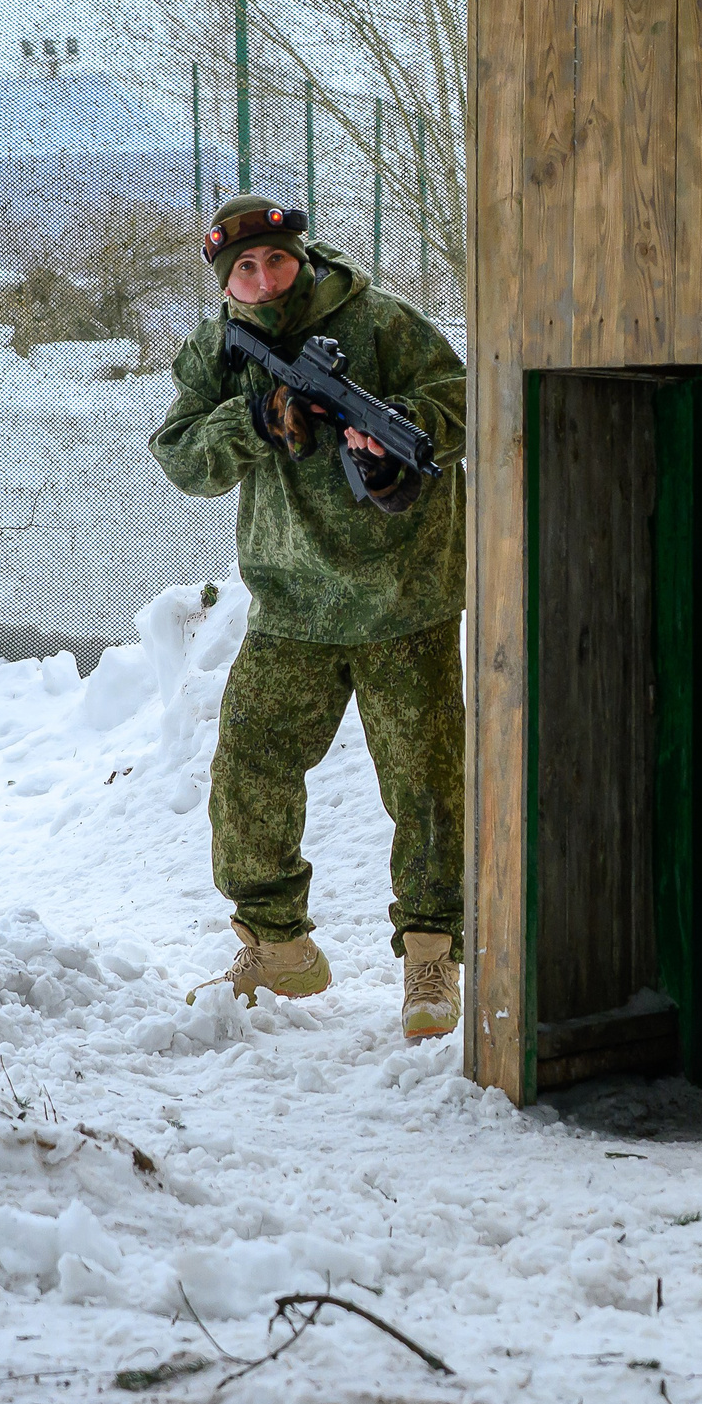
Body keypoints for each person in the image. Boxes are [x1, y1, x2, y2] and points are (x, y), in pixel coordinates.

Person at [150, 193, 468, 1041]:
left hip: (406, 596)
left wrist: (399, 441)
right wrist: (257, 418)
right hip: (292, 602)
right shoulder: (220, 348)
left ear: (303, 254)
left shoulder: (381, 323)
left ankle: (431, 959)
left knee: (428, 785)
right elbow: (182, 457)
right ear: (227, 281)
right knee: (248, 765)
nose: (262, 278)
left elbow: (458, 403)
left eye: (275, 261)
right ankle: (276, 943)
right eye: (243, 270)